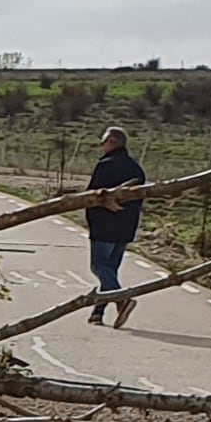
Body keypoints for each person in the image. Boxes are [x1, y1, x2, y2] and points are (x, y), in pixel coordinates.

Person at [83, 125, 147, 327]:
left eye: (103, 142)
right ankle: (98, 314)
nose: (101, 146)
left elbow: (93, 196)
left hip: (104, 225)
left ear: (111, 142)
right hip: (126, 227)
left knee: (99, 266)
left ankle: (122, 300)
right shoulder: (136, 168)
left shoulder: (106, 165)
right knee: (110, 270)